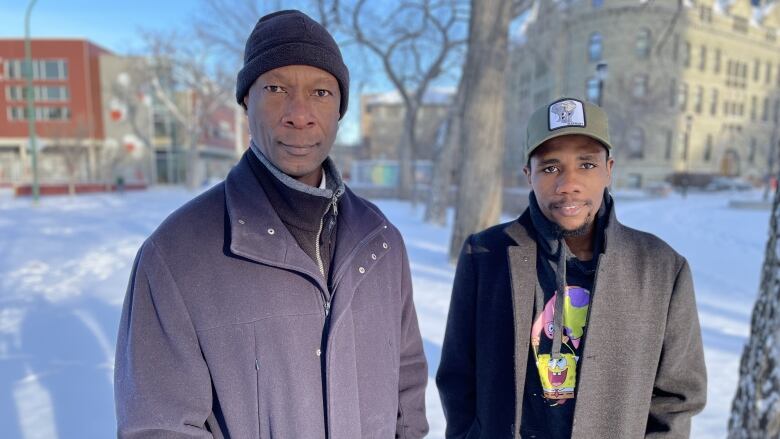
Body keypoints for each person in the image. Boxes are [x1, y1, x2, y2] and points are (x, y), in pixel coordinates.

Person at [114, 10, 428, 438]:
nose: (300, 114)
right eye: (276, 88)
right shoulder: (177, 255)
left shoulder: (382, 242)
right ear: (247, 100)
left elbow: (407, 382)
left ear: (340, 109)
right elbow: (159, 426)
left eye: (320, 92)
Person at [436, 97, 706, 438]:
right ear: (528, 175)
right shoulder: (486, 255)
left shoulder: (661, 268)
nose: (568, 184)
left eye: (587, 165)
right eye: (550, 168)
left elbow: (676, 400)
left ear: (609, 169)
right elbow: (458, 378)